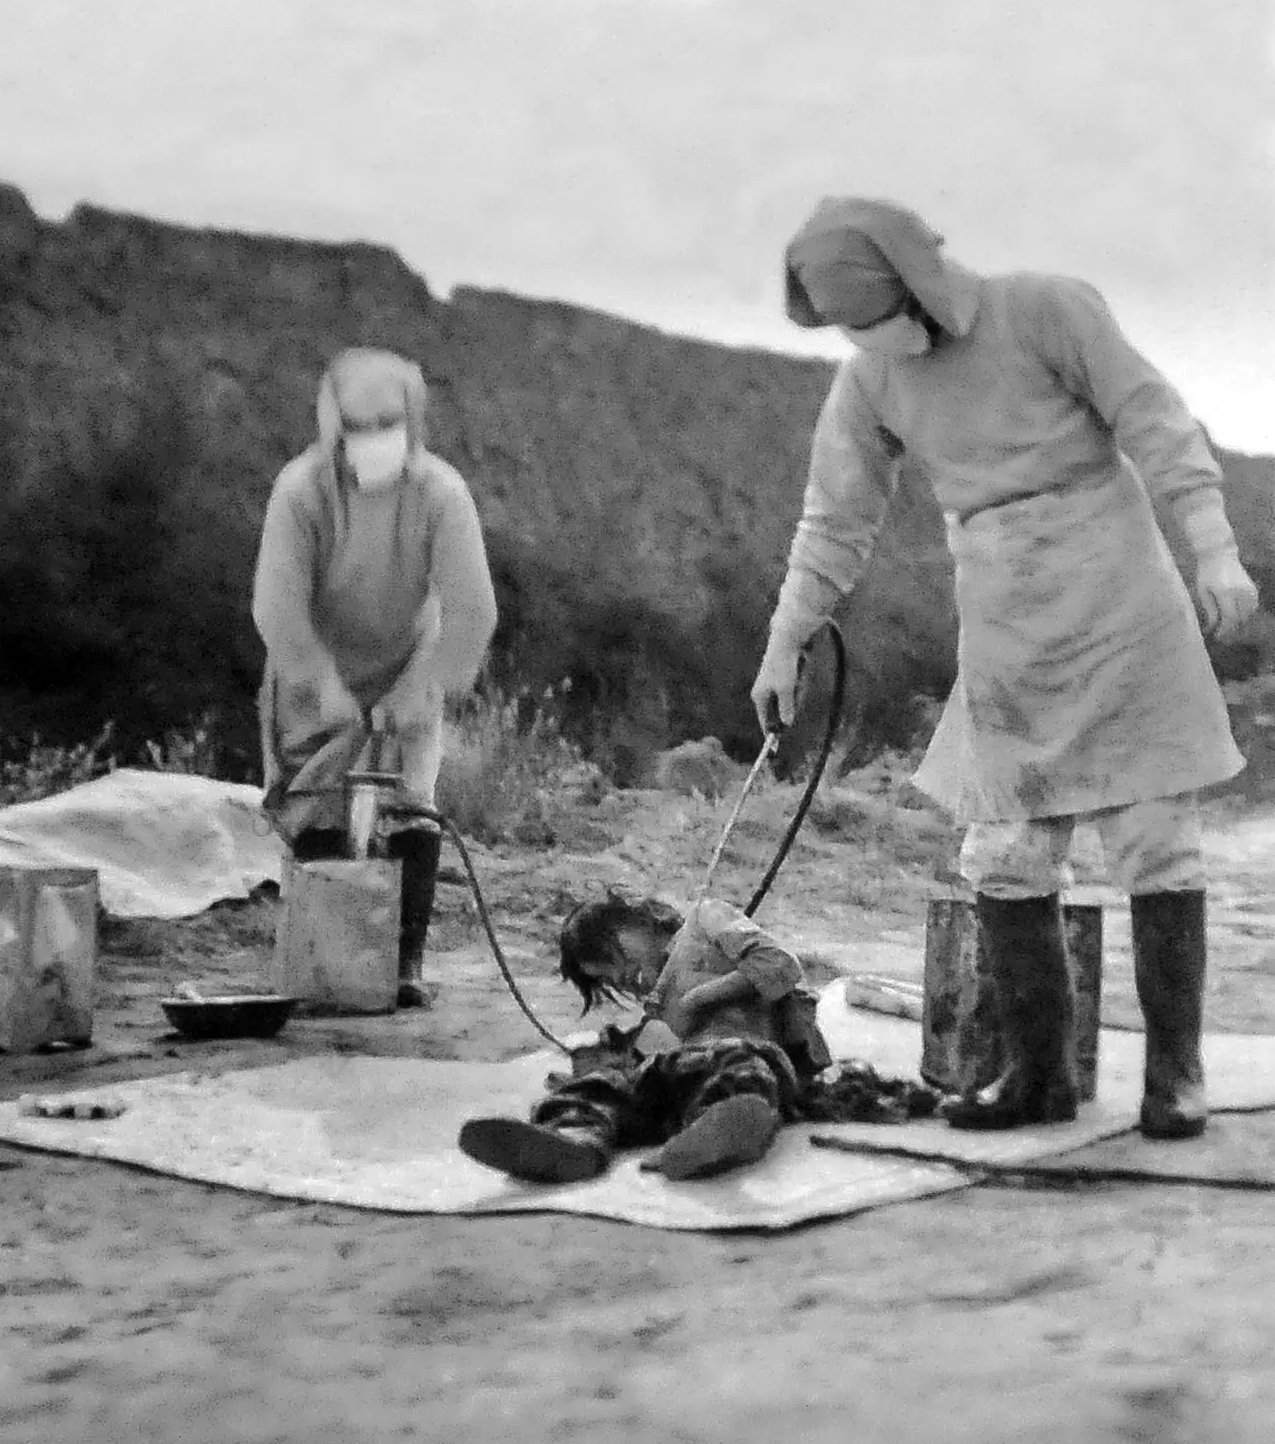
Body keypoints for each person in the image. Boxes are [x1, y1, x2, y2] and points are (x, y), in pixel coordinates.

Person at [754, 196, 1258, 1138]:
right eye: (851, 327)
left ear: (916, 281)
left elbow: (1155, 418)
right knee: (1008, 853)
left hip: (1119, 600)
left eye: (874, 314)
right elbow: (835, 520)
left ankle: (1175, 1074)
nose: (869, 337)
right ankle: (1038, 1076)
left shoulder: (1047, 310)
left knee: (1155, 838)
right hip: (1004, 622)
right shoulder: (870, 383)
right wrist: (787, 638)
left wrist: (1214, 546)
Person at [252, 346, 498, 1007]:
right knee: (317, 800)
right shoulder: (301, 492)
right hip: (314, 663)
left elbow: (472, 609)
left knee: (409, 800)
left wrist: (427, 687)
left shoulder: (441, 495)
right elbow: (277, 605)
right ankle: (327, 958)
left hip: (408, 658)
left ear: (413, 422)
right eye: (360, 427)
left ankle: (402, 962)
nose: (375, 440)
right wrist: (322, 685)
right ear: (334, 427)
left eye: (388, 423)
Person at [457, 891, 832, 1183]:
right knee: (601, 1088)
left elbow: (780, 965)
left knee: (740, 1069)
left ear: (641, 919)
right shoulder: (656, 1002)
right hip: (685, 1075)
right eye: (606, 978)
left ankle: (727, 1128)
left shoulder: (705, 919)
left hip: (743, 1054)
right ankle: (575, 1143)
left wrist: (697, 998)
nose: (619, 978)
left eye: (613, 956)